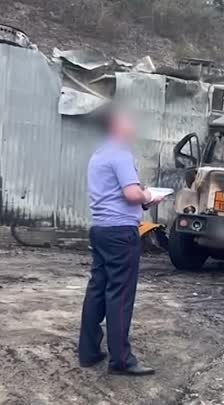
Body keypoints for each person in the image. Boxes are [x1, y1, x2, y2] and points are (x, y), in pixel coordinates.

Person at [78, 108, 161, 376]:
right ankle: (121, 360)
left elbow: (116, 194)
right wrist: (149, 194)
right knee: (120, 295)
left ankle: (89, 351)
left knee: (98, 290)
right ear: (116, 125)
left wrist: (142, 198)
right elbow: (130, 194)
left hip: (101, 229)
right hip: (120, 234)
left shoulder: (99, 154)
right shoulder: (120, 152)